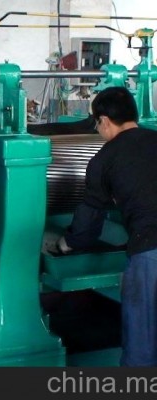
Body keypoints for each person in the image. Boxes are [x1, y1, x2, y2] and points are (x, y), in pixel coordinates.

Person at [56, 86, 157, 367]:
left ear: (103, 121)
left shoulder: (105, 158)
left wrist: (67, 243)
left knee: (142, 348)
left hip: (150, 250)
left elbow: (89, 225)